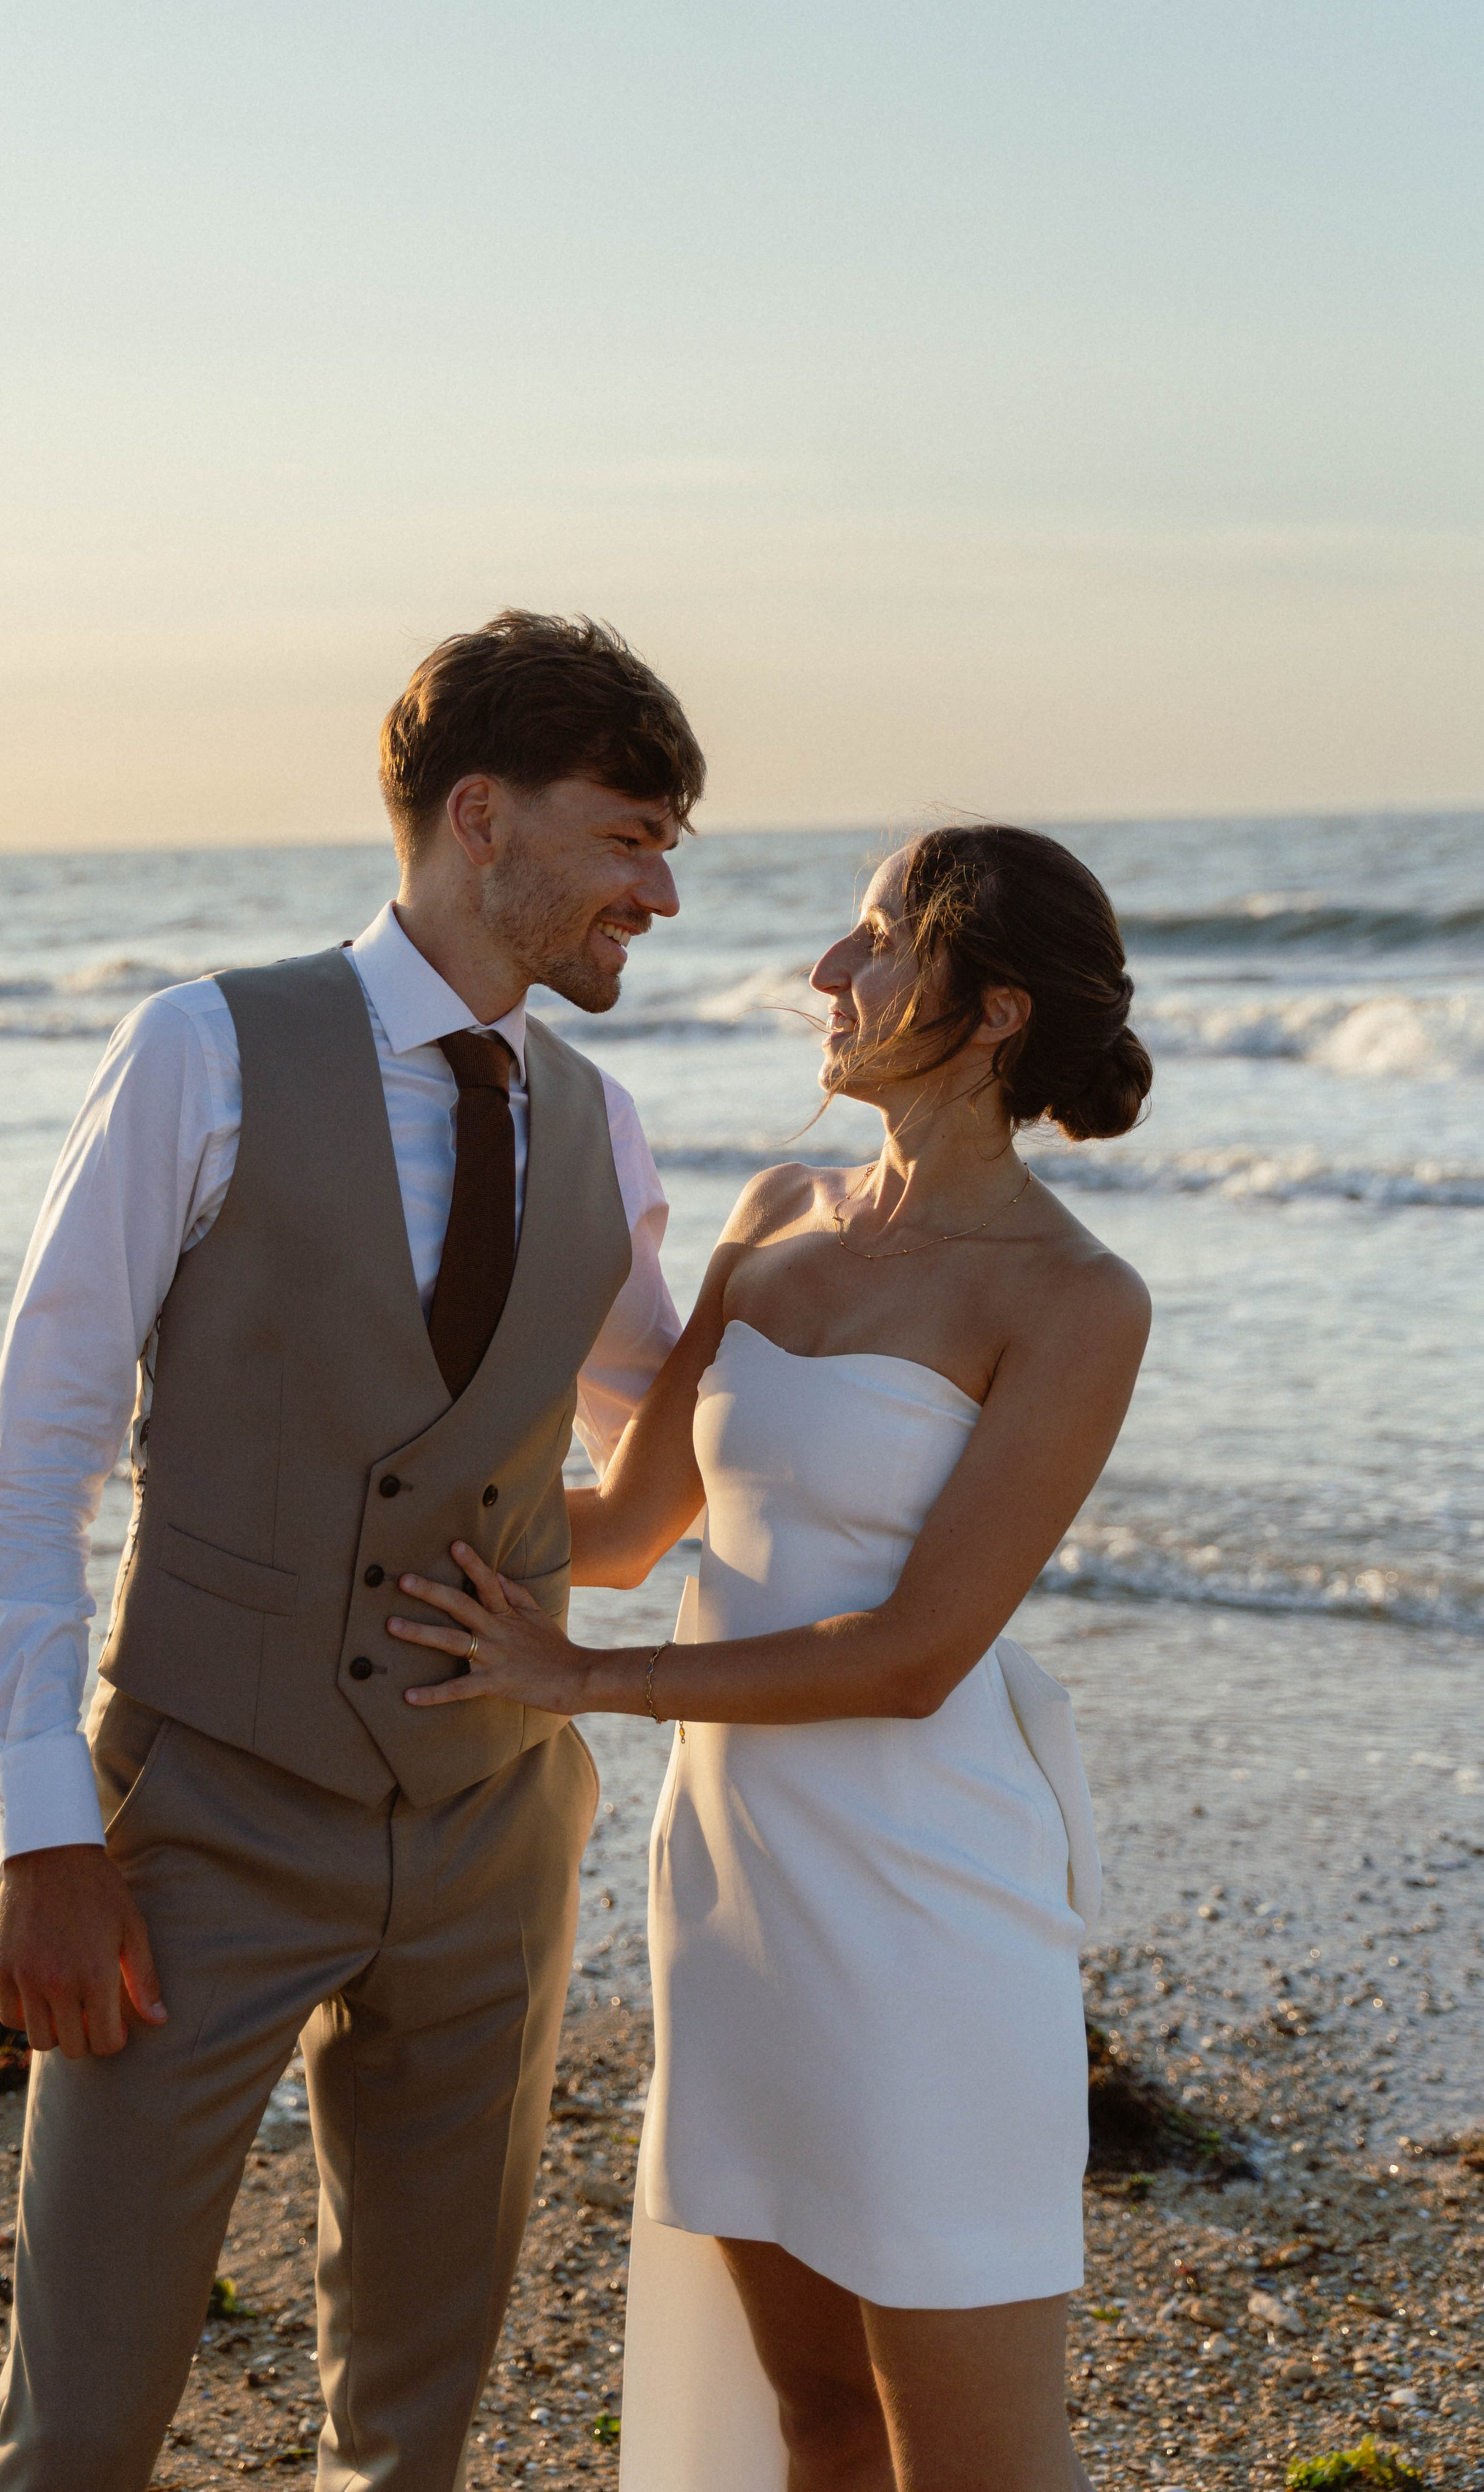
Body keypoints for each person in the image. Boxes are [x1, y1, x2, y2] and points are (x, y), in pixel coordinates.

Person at [0, 611, 704, 2492]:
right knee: (77, 2423)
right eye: (627, 837)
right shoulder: (200, 1052)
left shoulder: (601, 1132)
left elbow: (663, 1459)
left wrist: (855, 1281)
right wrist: (42, 1829)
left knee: (412, 2428)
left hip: (493, 1832)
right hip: (202, 1814)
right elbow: (33, 1458)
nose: (660, 894)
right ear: (479, 817)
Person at [388, 823, 1155, 2492]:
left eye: (877, 939)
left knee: (977, 2464)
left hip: (930, 1906)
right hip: (734, 1893)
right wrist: (360, 1494)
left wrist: (583, 1682)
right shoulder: (778, 1216)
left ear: (997, 1009)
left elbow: (912, 1654)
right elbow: (623, 1524)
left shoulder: (1074, 1300)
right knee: (818, 2428)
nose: (828, 970)